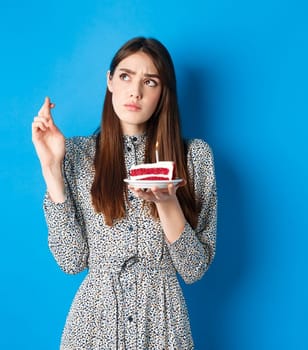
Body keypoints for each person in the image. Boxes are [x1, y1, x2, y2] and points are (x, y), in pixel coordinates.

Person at [31, 37, 217, 349]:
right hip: (93, 327)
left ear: (163, 92)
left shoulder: (194, 157)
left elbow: (193, 269)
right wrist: (51, 168)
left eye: (150, 81)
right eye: (126, 76)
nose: (135, 91)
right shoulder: (77, 154)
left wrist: (168, 202)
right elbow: (72, 261)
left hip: (163, 328)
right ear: (110, 81)